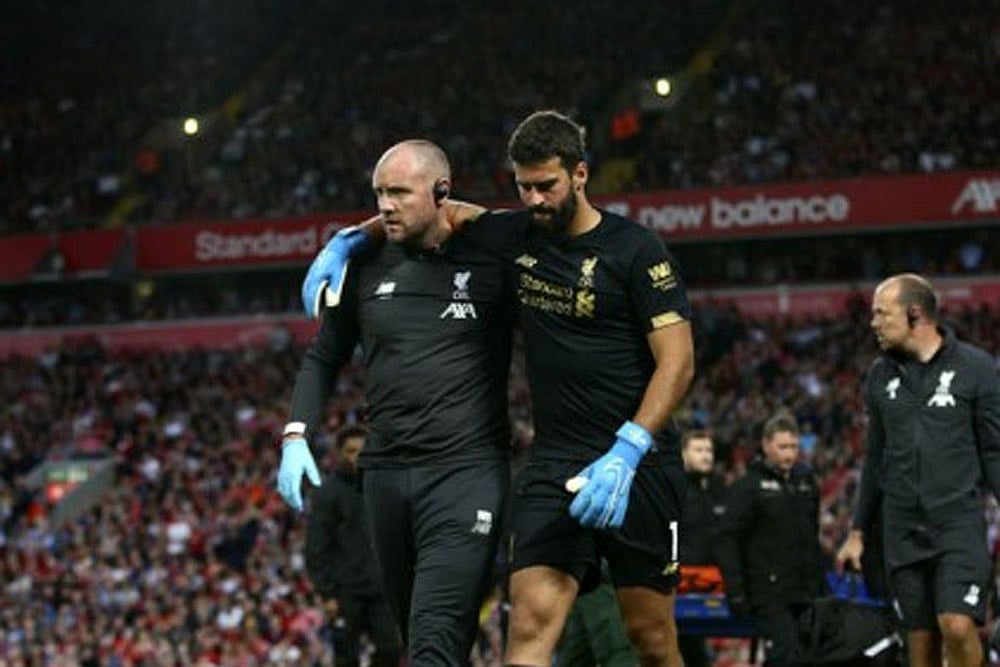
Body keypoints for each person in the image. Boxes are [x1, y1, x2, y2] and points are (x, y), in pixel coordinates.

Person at [306, 109, 695, 667]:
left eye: (546, 186)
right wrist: (348, 240)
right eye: (523, 187)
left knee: (651, 638)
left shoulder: (637, 250)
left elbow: (678, 362)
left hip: (640, 464)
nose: (534, 200)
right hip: (556, 463)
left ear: (580, 175)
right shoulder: (513, 236)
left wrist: (629, 448)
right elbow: (440, 209)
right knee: (529, 623)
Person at [277, 139, 514, 666]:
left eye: (400, 193)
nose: (385, 206)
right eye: (379, 194)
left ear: (442, 192)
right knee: (421, 638)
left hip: (466, 472)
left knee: (434, 638)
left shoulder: (492, 257)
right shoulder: (362, 266)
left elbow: (530, 231)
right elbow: (324, 356)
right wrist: (296, 433)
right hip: (384, 476)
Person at [836, 273, 1000, 667]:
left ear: (915, 314)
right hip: (902, 529)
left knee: (957, 625)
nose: (873, 323)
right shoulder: (880, 375)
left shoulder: (976, 368)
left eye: (882, 313)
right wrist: (857, 532)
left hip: (957, 524)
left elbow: (994, 451)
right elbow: (875, 458)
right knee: (920, 647)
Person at [716, 413, 826, 666]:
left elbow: (812, 536)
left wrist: (820, 586)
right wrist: (736, 591)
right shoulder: (749, 487)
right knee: (785, 657)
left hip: (806, 590)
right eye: (782, 447)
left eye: (794, 447)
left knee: (811, 657)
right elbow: (726, 539)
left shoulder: (807, 483)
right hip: (768, 593)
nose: (789, 454)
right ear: (766, 446)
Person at [304, 424, 401, 667]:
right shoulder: (327, 494)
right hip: (345, 590)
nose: (357, 456)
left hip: (380, 588)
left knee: (391, 648)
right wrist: (326, 592)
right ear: (340, 454)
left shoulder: (382, 489)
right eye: (351, 451)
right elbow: (316, 546)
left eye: (362, 450)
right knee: (346, 657)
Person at [678, 429, 727, 667]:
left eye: (709, 450)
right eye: (698, 450)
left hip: (711, 583)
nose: (706, 456)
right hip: (679, 582)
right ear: (683, 454)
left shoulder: (719, 490)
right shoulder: (674, 490)